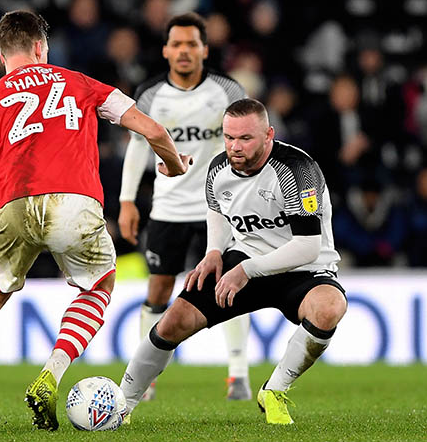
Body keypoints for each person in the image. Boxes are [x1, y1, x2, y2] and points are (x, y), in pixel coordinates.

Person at [0, 10, 189, 433]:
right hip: (75, 204)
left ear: (1, 54)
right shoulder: (81, 84)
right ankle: (51, 374)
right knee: (98, 286)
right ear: (41, 47)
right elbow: (151, 130)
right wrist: (173, 165)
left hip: (14, 205)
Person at [119, 99, 347, 425]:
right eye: (228, 137)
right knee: (173, 322)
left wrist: (244, 270)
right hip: (245, 259)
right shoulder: (218, 168)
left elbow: (308, 247)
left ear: (269, 135)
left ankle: (274, 390)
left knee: (329, 308)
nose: (234, 147)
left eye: (245, 138)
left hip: (303, 269)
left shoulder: (298, 171)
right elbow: (217, 208)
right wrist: (214, 250)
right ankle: (122, 403)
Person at [118, 12, 253, 401]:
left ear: (204, 50)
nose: (183, 51)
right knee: (158, 288)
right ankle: (147, 377)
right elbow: (137, 147)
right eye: (176, 44)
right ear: (165, 50)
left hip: (221, 206)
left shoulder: (227, 90)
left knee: (230, 287)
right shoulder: (150, 94)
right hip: (169, 207)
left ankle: (238, 375)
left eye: (191, 44)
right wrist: (127, 201)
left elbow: (245, 139)